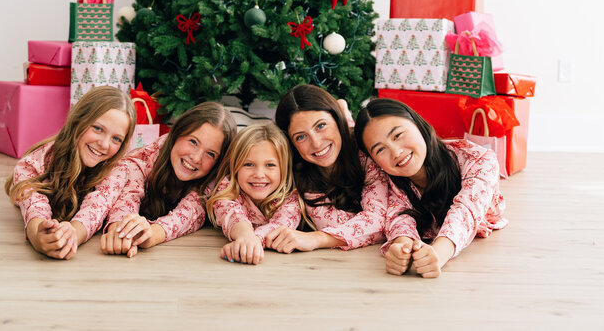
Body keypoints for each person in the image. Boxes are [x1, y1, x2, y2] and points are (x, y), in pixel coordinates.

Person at [354, 98, 508, 278]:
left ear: (418, 124)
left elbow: (466, 210)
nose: (396, 152)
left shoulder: (479, 159)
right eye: (380, 150)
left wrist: (439, 253)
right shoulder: (392, 182)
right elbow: (400, 216)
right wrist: (402, 248)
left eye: (398, 135)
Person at [5, 86, 137, 260]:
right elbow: (33, 205)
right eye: (98, 128)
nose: (104, 144)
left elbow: (96, 208)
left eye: (116, 139)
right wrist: (39, 237)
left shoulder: (117, 169)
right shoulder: (35, 163)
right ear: (78, 121)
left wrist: (72, 234)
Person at [100, 101, 237, 257]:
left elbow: (190, 214)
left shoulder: (211, 181)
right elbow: (128, 196)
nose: (196, 157)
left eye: (210, 154)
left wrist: (149, 235)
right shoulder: (144, 160)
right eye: (193, 142)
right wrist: (120, 231)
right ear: (177, 134)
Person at [270, 84, 389, 253]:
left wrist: (316, 238)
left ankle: (344, 112)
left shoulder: (365, 151)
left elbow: (379, 219)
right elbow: (327, 222)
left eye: (321, 126)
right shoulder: (297, 171)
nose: (316, 143)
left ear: (335, 119)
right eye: (301, 137)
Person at [206, 123, 301, 265]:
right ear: (235, 166)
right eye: (248, 164)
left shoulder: (290, 195)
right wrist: (245, 236)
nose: (259, 174)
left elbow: (282, 225)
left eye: (270, 165)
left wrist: (248, 242)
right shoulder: (227, 187)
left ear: (284, 168)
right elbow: (231, 214)